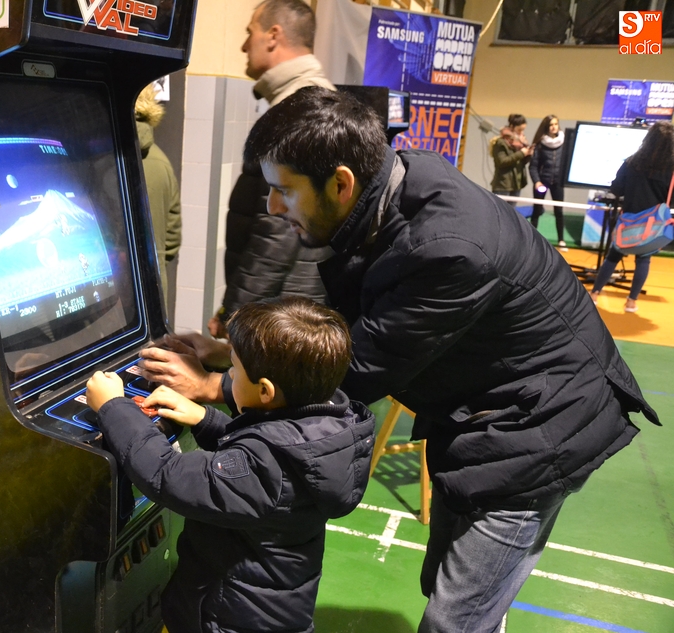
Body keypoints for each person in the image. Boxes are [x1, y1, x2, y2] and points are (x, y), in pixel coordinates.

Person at [137, 88, 659, 633]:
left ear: (340, 184)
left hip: (539, 428)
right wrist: (237, 353)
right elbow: (348, 328)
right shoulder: (396, 183)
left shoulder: (448, 250)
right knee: (451, 586)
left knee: (456, 619)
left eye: (284, 191)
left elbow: (354, 368)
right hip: (488, 410)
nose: (272, 207)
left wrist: (218, 385)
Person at [85, 296, 375, 633]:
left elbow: (166, 475)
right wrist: (205, 419)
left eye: (234, 369)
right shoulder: (327, 430)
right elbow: (265, 450)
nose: (229, 375)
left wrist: (113, 406)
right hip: (273, 611)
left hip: (227, 619)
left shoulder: (265, 469)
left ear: (265, 392)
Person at [207, 0, 335, 339]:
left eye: (250, 32)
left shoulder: (298, 112)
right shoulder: (313, 102)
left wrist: (235, 313)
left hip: (281, 313)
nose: (243, 46)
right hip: (289, 303)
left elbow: (276, 235)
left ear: (273, 36)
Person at [590, 121, 674, 313]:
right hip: (653, 225)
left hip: (628, 220)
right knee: (643, 260)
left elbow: (616, 189)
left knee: (613, 256)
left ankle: (594, 293)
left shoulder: (631, 163)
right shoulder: (671, 170)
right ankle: (631, 301)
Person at [135, 84, 182, 309]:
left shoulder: (100, 154)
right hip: (153, 290)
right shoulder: (161, 161)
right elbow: (172, 237)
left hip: (111, 298)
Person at [529, 114, 568, 251]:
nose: (554, 127)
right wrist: (537, 182)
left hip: (557, 183)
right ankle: (531, 240)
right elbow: (533, 166)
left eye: (556, 124)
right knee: (537, 210)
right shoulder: (540, 145)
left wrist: (563, 179)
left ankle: (561, 240)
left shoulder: (564, 142)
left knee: (559, 211)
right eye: (551, 125)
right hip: (542, 182)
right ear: (547, 127)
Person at [490, 113, 533, 206]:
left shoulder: (521, 143)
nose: (521, 133)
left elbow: (521, 162)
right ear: (512, 127)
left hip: (517, 183)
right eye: (519, 130)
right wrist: (521, 153)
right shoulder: (500, 142)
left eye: (523, 130)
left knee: (511, 212)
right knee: (499, 211)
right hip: (503, 184)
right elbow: (502, 162)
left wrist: (528, 154)